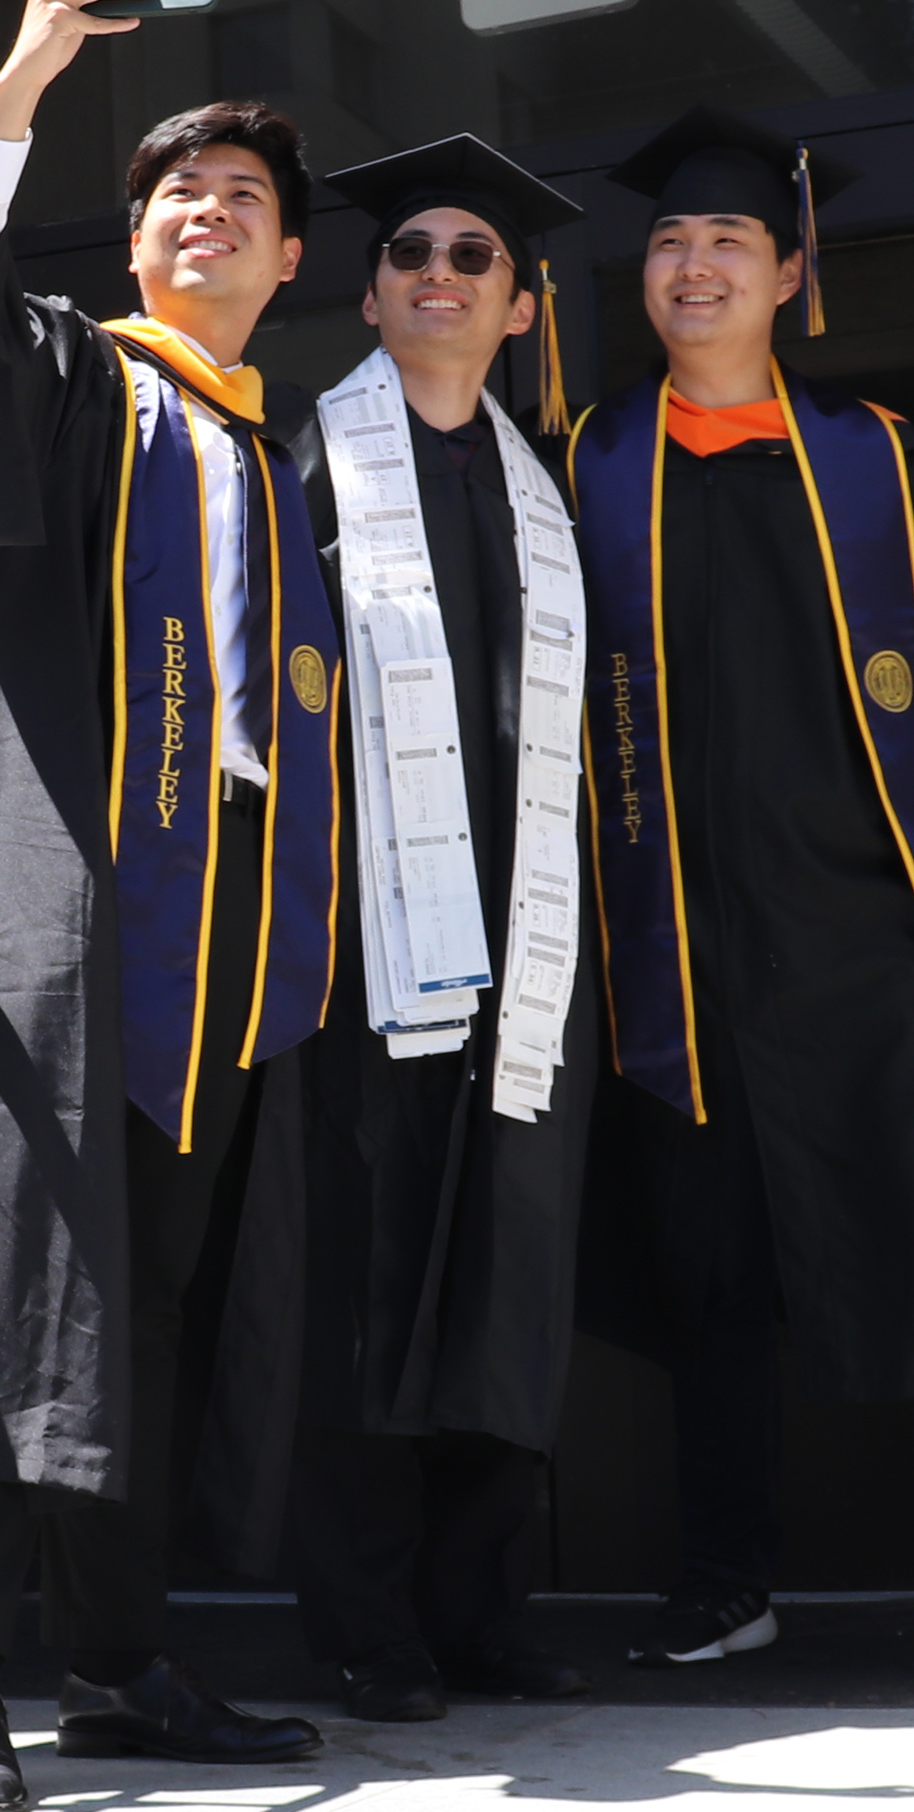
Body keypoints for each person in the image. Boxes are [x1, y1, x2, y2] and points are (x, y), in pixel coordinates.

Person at [0, 0, 336, 1807]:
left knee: (158, 1319)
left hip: (217, 978)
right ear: (132, 249)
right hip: (51, 929)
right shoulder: (69, 384)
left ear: (292, 265)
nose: (210, 211)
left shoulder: (285, 472)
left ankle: (128, 1664)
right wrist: (23, 85)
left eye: (248, 201)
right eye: (179, 195)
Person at [568, 104, 914, 1706]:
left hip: (876, 936)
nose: (693, 264)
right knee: (714, 1275)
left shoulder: (876, 457)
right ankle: (728, 1586)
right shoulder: (588, 460)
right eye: (668, 241)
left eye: (726, 242)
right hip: (678, 954)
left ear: (790, 274)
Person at [287, 136, 596, 1721]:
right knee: (373, 1285)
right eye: (412, 252)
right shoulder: (306, 473)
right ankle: (364, 1623)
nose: (441, 274)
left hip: (531, 959)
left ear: (521, 306)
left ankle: (476, 1609)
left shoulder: (553, 496)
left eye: (477, 257)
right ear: (368, 294)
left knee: (505, 1276)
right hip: (373, 961)